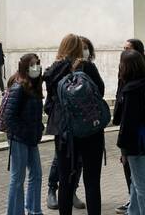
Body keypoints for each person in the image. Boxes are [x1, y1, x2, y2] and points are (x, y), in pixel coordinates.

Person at [43, 34, 105, 215]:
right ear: (79, 49)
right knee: (92, 181)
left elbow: (49, 105)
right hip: (90, 129)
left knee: (65, 180)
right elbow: (100, 92)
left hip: (64, 132)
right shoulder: (87, 67)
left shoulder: (53, 71)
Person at [115, 39, 145, 214]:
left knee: (142, 187)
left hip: (136, 144)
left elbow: (127, 123)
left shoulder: (131, 90)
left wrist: (123, 150)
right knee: (136, 181)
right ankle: (132, 212)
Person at [3, 53, 45, 215]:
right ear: (26, 67)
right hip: (19, 138)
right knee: (18, 179)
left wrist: (38, 129)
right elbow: (9, 117)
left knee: (37, 174)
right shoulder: (18, 87)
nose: (37, 67)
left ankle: (34, 210)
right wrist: (25, 132)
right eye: (34, 64)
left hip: (31, 137)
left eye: (38, 63)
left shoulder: (34, 85)